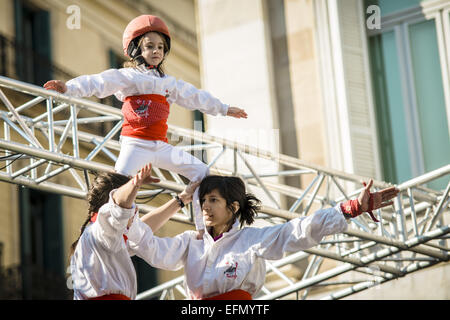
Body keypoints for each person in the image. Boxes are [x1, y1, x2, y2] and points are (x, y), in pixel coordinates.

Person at [43, 14, 248, 235]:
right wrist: (68, 88)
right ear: (135, 50)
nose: (156, 51)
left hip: (161, 147)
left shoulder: (168, 83)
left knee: (204, 175)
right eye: (150, 46)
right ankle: (94, 232)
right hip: (135, 145)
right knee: (114, 188)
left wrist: (224, 108)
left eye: (161, 47)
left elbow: (194, 96)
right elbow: (98, 82)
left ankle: (203, 231)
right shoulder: (129, 76)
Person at [126, 175, 399, 300]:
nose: (205, 207)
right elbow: (149, 247)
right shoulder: (190, 242)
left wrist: (350, 209)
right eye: (203, 201)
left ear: (233, 208)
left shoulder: (252, 240)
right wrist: (123, 211)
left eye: (212, 200)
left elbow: (298, 230)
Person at [69, 163, 197, 300]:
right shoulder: (101, 230)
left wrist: (182, 199)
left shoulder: (105, 235)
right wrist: (135, 183)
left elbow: (142, 230)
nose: (135, 210)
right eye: (132, 203)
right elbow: (118, 206)